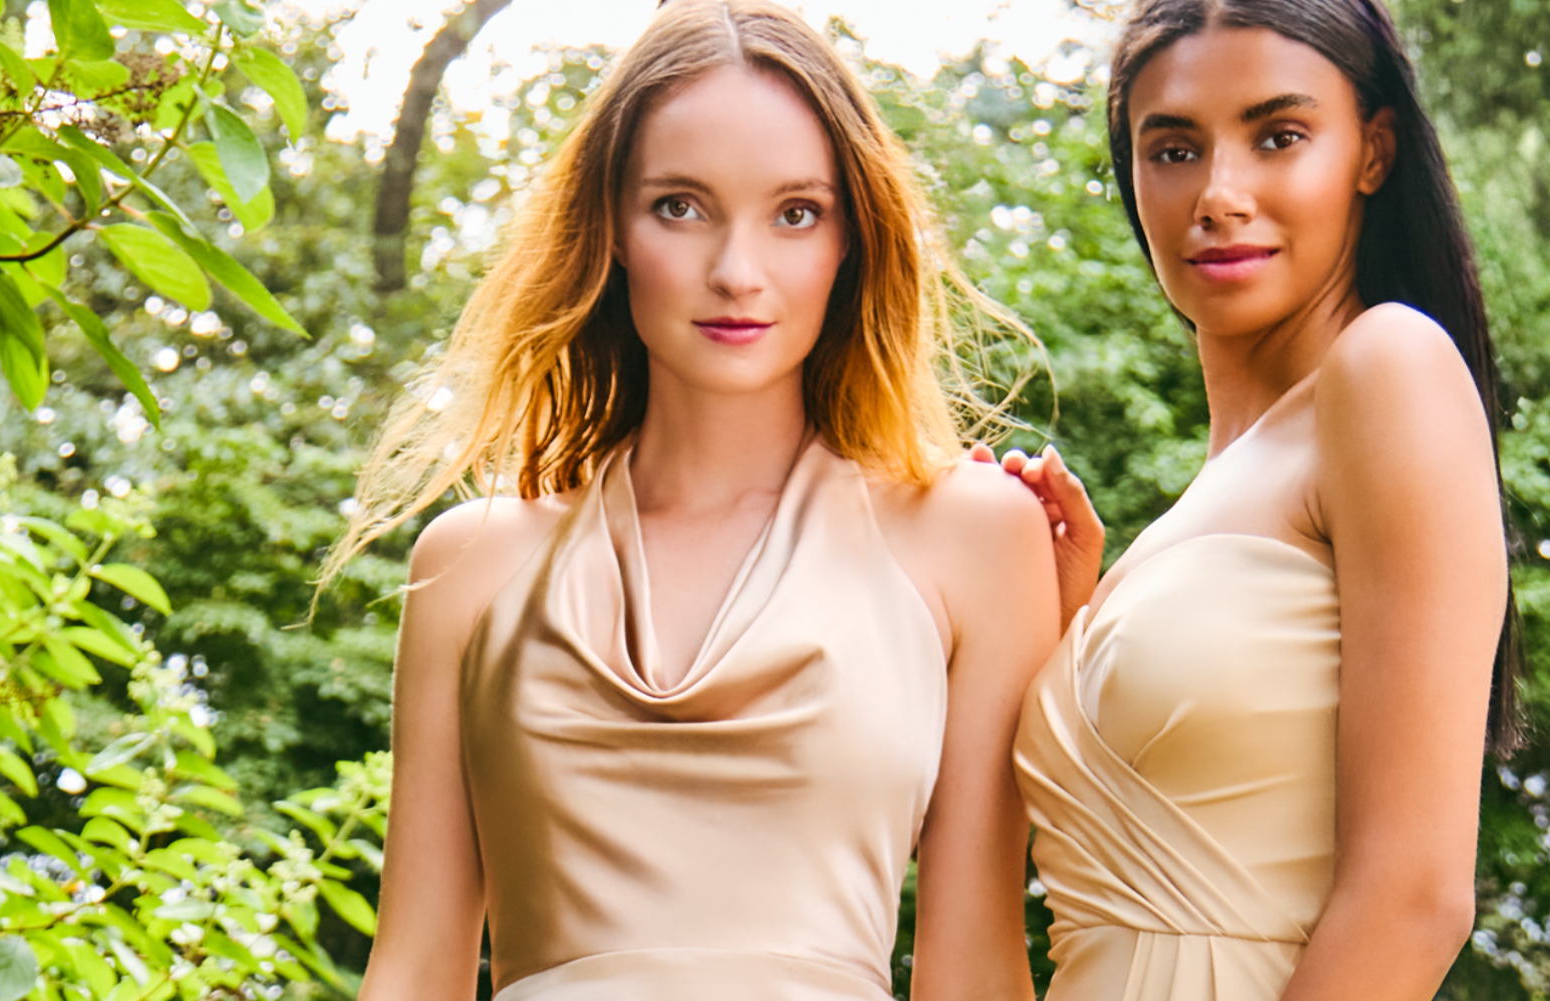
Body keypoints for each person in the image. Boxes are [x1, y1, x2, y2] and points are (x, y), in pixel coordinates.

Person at [327, 3, 1061, 999]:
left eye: (795, 212)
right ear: (612, 228)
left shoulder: (973, 535)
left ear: (852, 238)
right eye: (681, 205)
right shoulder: (470, 563)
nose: (736, 272)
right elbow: (412, 967)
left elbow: (973, 963)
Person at [984, 0, 1525, 998]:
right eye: (1174, 148)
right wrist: (1071, 627)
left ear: (1373, 150)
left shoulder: (1385, 368)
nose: (1219, 195)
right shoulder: (1200, 499)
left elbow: (1415, 896)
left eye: (1278, 136)